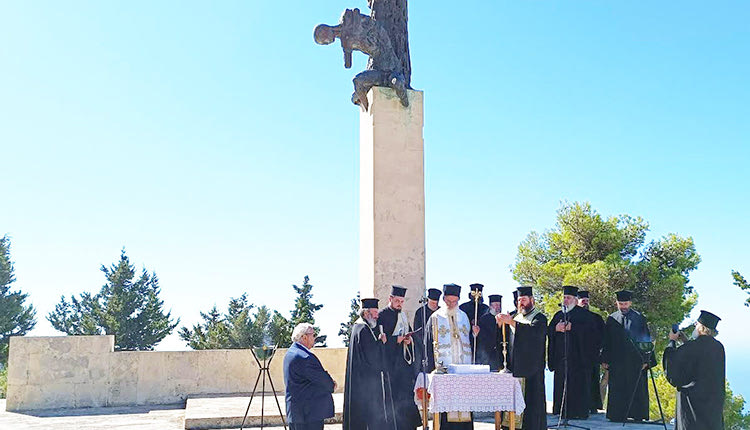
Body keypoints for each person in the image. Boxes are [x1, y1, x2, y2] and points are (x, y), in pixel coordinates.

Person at [423, 283, 477, 429]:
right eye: (448, 301)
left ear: (458, 300)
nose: (451, 304)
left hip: (463, 371)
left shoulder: (464, 317)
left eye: (454, 301)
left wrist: (474, 334)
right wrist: (431, 370)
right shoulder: (435, 318)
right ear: (444, 299)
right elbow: (428, 345)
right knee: (445, 412)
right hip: (444, 372)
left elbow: (469, 343)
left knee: (464, 406)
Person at [600, 290, 657, 423]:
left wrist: (646, 360)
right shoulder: (612, 318)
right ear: (617, 303)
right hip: (617, 361)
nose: (623, 306)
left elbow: (646, 340)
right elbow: (606, 341)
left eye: (625, 303)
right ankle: (617, 415)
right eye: (621, 303)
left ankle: (637, 415)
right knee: (617, 388)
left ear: (630, 303)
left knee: (637, 388)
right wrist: (604, 359)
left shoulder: (639, 318)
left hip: (635, 361)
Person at [663, 310, 725, 430]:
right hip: (713, 403)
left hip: (693, 405)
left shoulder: (691, 347)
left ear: (701, 327)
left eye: (696, 325)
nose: (695, 327)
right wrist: (686, 342)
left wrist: (672, 342)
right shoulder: (718, 347)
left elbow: (673, 372)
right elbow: (702, 360)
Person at [497, 286, 548, 430]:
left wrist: (511, 323)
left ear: (532, 300)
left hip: (531, 370)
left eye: (524, 299)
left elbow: (533, 335)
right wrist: (500, 325)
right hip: (514, 367)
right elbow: (504, 339)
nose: (521, 303)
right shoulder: (515, 317)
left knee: (531, 405)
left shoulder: (539, 317)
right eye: (519, 300)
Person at [343, 298, 397, 430]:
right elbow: (371, 357)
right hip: (365, 385)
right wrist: (382, 343)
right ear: (366, 313)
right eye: (375, 312)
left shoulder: (358, 327)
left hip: (360, 381)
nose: (377, 316)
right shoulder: (363, 329)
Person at [547, 286, 594, 420]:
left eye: (568, 298)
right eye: (564, 298)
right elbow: (548, 331)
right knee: (561, 384)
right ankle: (560, 410)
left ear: (575, 300)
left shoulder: (585, 315)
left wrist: (573, 328)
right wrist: (556, 328)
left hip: (578, 359)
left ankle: (578, 412)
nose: (566, 300)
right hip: (561, 358)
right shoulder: (558, 315)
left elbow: (591, 334)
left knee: (577, 386)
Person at [378, 285, 421, 430]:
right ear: (390, 299)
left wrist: (408, 341)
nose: (400, 304)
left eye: (402, 302)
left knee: (407, 397)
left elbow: (408, 334)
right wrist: (395, 340)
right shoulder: (382, 315)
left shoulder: (403, 315)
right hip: (390, 366)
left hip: (403, 365)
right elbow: (380, 342)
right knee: (394, 400)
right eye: (397, 301)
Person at [283, 323, 336, 430]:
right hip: (308, 415)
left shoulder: (291, 353)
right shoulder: (304, 357)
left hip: (298, 413)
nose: (315, 338)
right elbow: (322, 379)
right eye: (313, 335)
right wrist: (332, 384)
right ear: (304, 337)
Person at [577, 290, 605, 413]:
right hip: (576, 355)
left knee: (592, 381)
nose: (585, 303)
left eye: (587, 301)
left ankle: (592, 406)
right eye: (583, 301)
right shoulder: (572, 317)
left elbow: (604, 337)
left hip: (592, 355)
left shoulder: (596, 318)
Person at [476, 294, 510, 371]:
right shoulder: (484, 319)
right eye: (495, 305)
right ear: (490, 306)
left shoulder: (504, 318)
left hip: (500, 355)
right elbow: (482, 338)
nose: (497, 307)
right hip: (487, 355)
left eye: (499, 305)